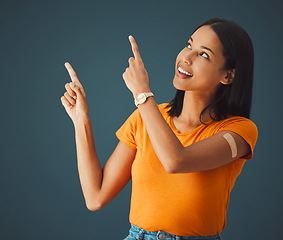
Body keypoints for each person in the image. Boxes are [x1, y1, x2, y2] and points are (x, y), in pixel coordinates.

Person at [60, 18, 258, 240]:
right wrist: (80, 120)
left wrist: (142, 94)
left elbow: (176, 161)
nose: (186, 58)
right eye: (189, 45)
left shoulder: (239, 131)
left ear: (228, 75)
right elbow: (95, 196)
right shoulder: (145, 117)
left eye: (203, 54)